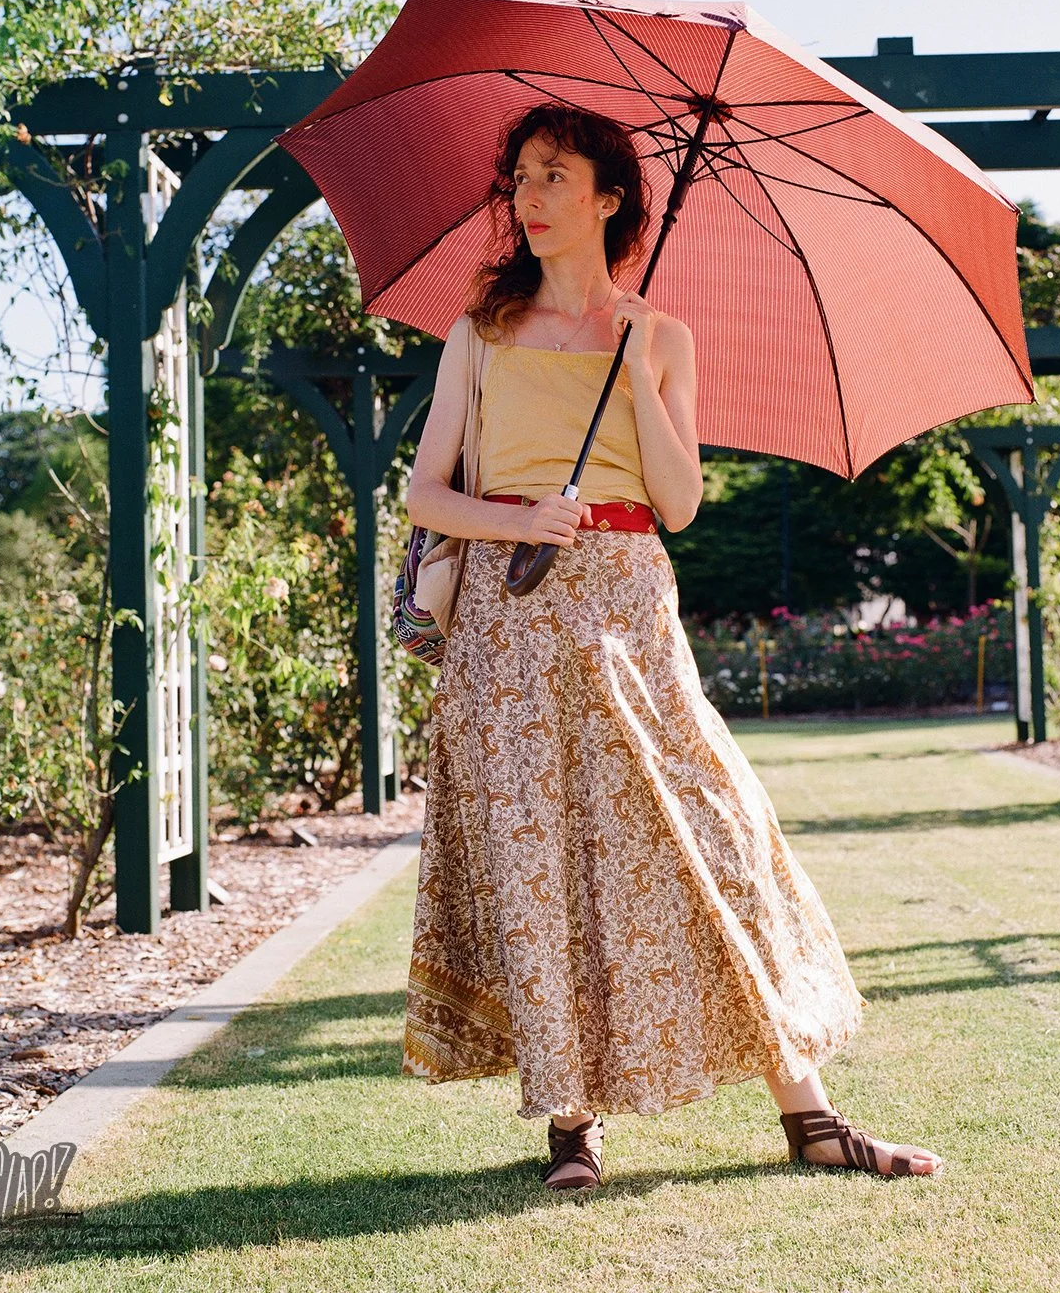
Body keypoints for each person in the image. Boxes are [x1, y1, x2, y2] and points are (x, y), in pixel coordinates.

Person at [401, 102, 942, 1190]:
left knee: (714, 834)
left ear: (611, 198)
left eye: (554, 175)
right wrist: (517, 519)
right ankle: (571, 1123)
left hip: (631, 606)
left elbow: (681, 501)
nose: (529, 196)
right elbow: (426, 492)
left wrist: (640, 365)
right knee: (541, 856)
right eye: (520, 177)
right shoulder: (478, 333)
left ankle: (811, 1113)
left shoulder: (663, 336)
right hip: (513, 615)